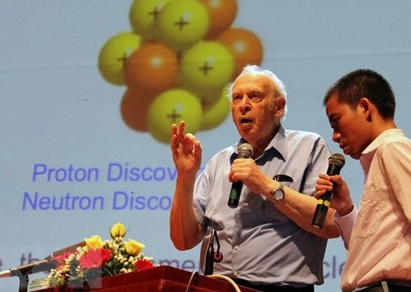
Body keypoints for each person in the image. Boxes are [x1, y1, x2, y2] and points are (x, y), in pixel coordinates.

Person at [170, 65, 340, 292]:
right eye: (237, 98)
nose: (243, 105)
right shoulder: (218, 163)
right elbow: (183, 241)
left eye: (255, 96)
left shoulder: (309, 147)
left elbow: (330, 224)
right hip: (218, 287)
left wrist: (267, 185)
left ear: (278, 107)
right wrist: (185, 177)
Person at [315, 69, 411, 292]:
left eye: (336, 121)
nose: (335, 136)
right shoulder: (381, 157)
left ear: (365, 108)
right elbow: (370, 253)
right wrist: (346, 209)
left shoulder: (392, 148)